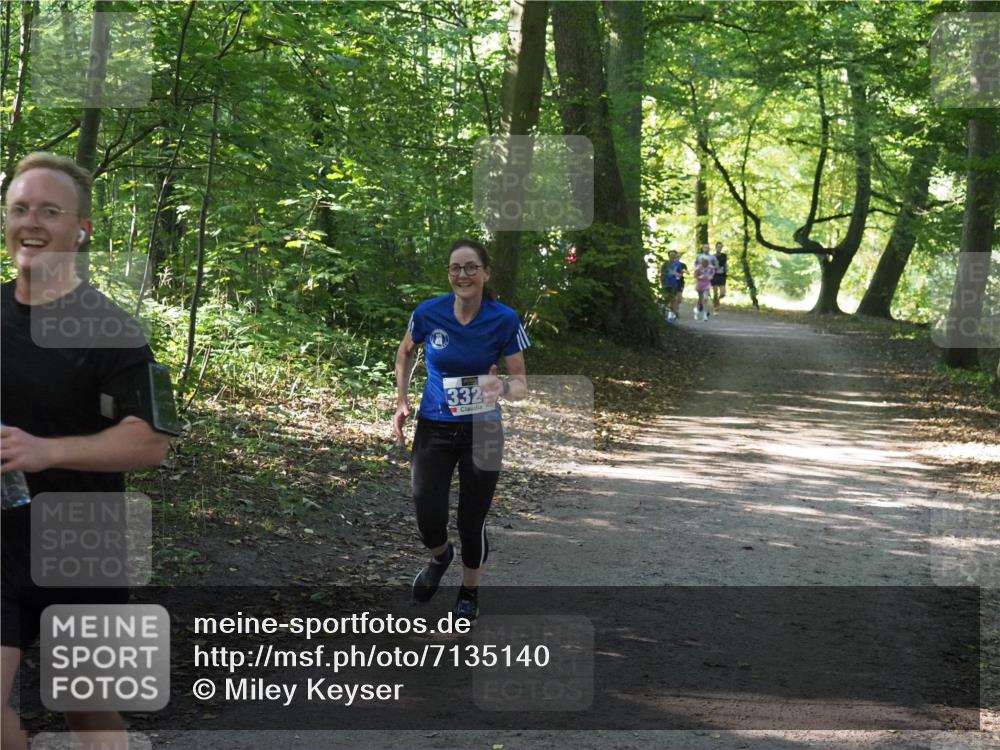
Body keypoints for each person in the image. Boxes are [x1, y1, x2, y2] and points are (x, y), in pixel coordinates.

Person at [1, 153, 175, 750]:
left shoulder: (114, 329)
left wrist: (46, 451)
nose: (32, 223)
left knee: (91, 715)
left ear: (82, 229)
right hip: (1, 538)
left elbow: (152, 441)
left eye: (50, 211)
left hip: (84, 541)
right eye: (20, 208)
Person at [393, 239, 529, 623]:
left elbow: (520, 386)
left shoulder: (504, 319)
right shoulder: (428, 313)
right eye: (455, 267)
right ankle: (440, 557)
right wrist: (401, 401)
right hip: (434, 426)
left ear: (486, 273)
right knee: (427, 514)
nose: (463, 274)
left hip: (483, 429)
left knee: (472, 520)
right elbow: (405, 352)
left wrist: (499, 387)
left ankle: (469, 591)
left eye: (471, 267)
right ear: (448, 273)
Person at [661, 251, 686, 321]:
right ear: (668, 256)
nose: (672, 257)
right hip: (666, 284)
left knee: (674, 299)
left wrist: (678, 275)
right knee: (666, 299)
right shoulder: (665, 264)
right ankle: (663, 311)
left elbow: (680, 273)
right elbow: (662, 274)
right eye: (671, 255)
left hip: (674, 284)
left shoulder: (677, 264)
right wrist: (662, 284)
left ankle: (672, 315)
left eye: (674, 256)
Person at [693, 253, 716, 321]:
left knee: (705, 299)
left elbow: (712, 274)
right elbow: (695, 276)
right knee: (700, 299)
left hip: (707, 284)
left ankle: (705, 315)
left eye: (706, 262)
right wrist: (699, 277)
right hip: (700, 284)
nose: (705, 263)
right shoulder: (698, 268)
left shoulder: (711, 267)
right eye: (703, 262)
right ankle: (697, 308)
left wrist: (710, 277)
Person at [711, 241, 728, 313]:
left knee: (723, 293)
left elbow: (725, 264)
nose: (719, 248)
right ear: (716, 248)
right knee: (715, 293)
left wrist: (726, 268)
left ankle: (717, 299)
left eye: (721, 247)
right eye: (718, 247)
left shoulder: (724, 256)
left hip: (722, 276)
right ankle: (716, 307)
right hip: (714, 276)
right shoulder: (712, 257)